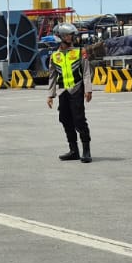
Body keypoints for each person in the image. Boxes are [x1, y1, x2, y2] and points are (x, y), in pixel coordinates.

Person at [45, 23, 93, 162]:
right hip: (63, 92)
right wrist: (50, 95)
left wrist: (88, 90)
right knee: (65, 119)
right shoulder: (55, 56)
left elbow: (86, 72)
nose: (70, 37)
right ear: (60, 37)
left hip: (77, 89)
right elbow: (52, 76)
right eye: (67, 35)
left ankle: (86, 151)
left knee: (79, 120)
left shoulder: (80, 52)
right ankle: (73, 150)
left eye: (71, 35)